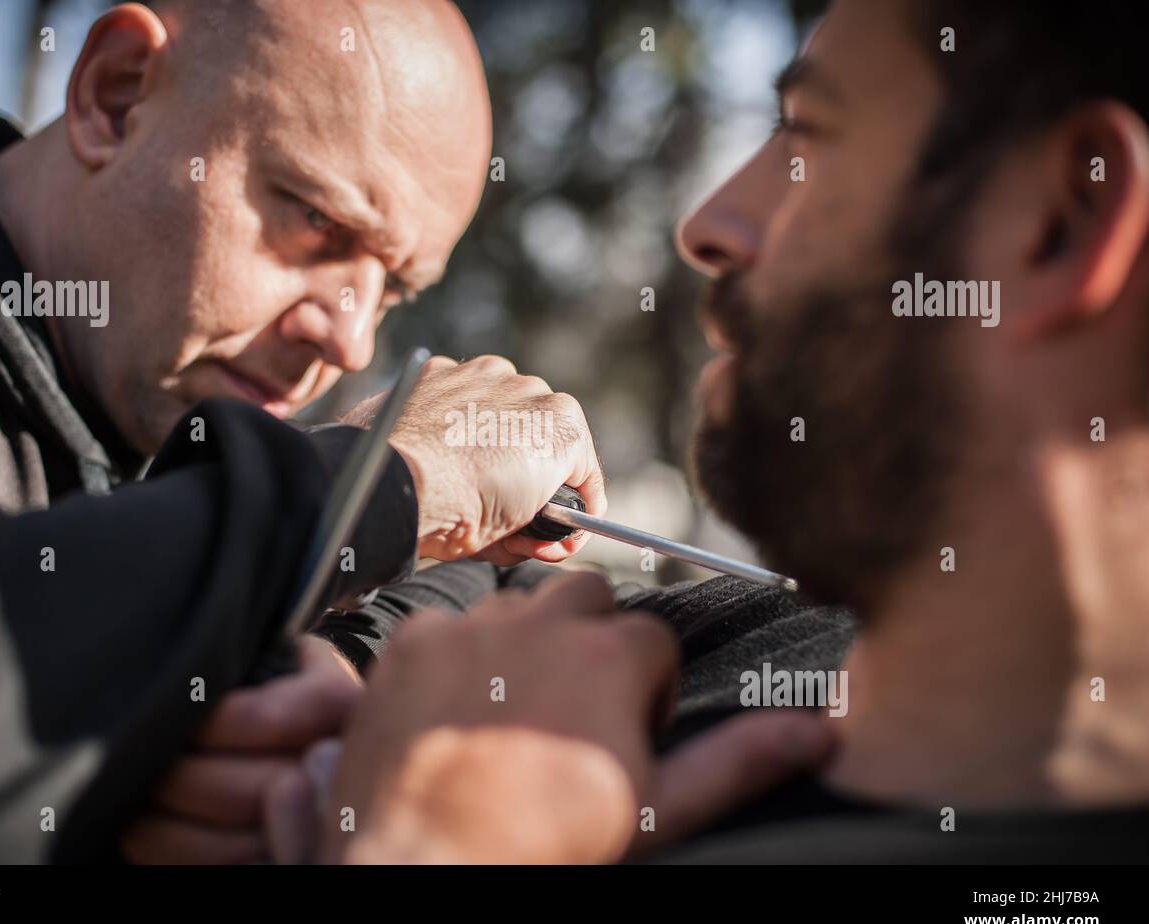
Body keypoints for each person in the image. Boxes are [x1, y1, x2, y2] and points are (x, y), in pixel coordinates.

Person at [313, 0, 1149, 864]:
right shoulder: (784, 629)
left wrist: (422, 843)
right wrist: (344, 654)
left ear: (1062, 222)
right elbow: (492, 582)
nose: (706, 223)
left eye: (807, 137)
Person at [0, 0, 612, 863]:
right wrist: (375, 480)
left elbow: (480, 583)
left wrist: (320, 666)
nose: (352, 340)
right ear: (117, 94)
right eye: (316, 221)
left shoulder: (141, 375)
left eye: (394, 287)